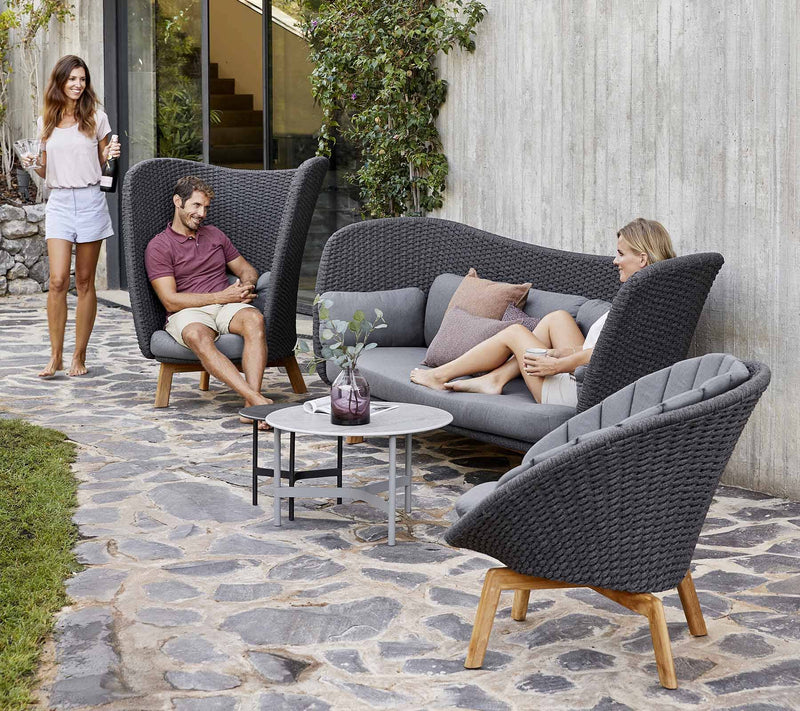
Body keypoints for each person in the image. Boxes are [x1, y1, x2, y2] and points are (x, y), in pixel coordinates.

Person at [411, 218, 677, 406]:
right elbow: (608, 349)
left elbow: (610, 353)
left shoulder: (639, 302)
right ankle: (495, 379)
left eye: (620, 254)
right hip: (589, 375)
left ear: (642, 259)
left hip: (581, 392)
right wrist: (562, 353)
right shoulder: (657, 297)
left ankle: (440, 375)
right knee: (557, 318)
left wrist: (558, 364)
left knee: (515, 332)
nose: (615, 261)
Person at [145, 176, 273, 426]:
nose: (202, 213)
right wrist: (220, 296)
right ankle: (257, 400)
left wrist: (246, 285)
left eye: (206, 207)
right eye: (196, 205)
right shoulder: (159, 246)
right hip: (188, 310)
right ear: (178, 202)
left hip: (227, 305)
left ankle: (251, 404)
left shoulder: (215, 235)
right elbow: (170, 301)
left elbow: (247, 269)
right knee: (196, 335)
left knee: (254, 319)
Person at [25, 55, 121, 377]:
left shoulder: (97, 118)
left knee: (83, 281)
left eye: (82, 79)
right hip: (60, 202)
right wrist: (32, 164)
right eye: (72, 79)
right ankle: (55, 356)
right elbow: (44, 169)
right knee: (57, 280)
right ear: (60, 82)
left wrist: (110, 154)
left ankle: (79, 356)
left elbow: (106, 162)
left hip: (91, 199)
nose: (78, 85)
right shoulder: (46, 121)